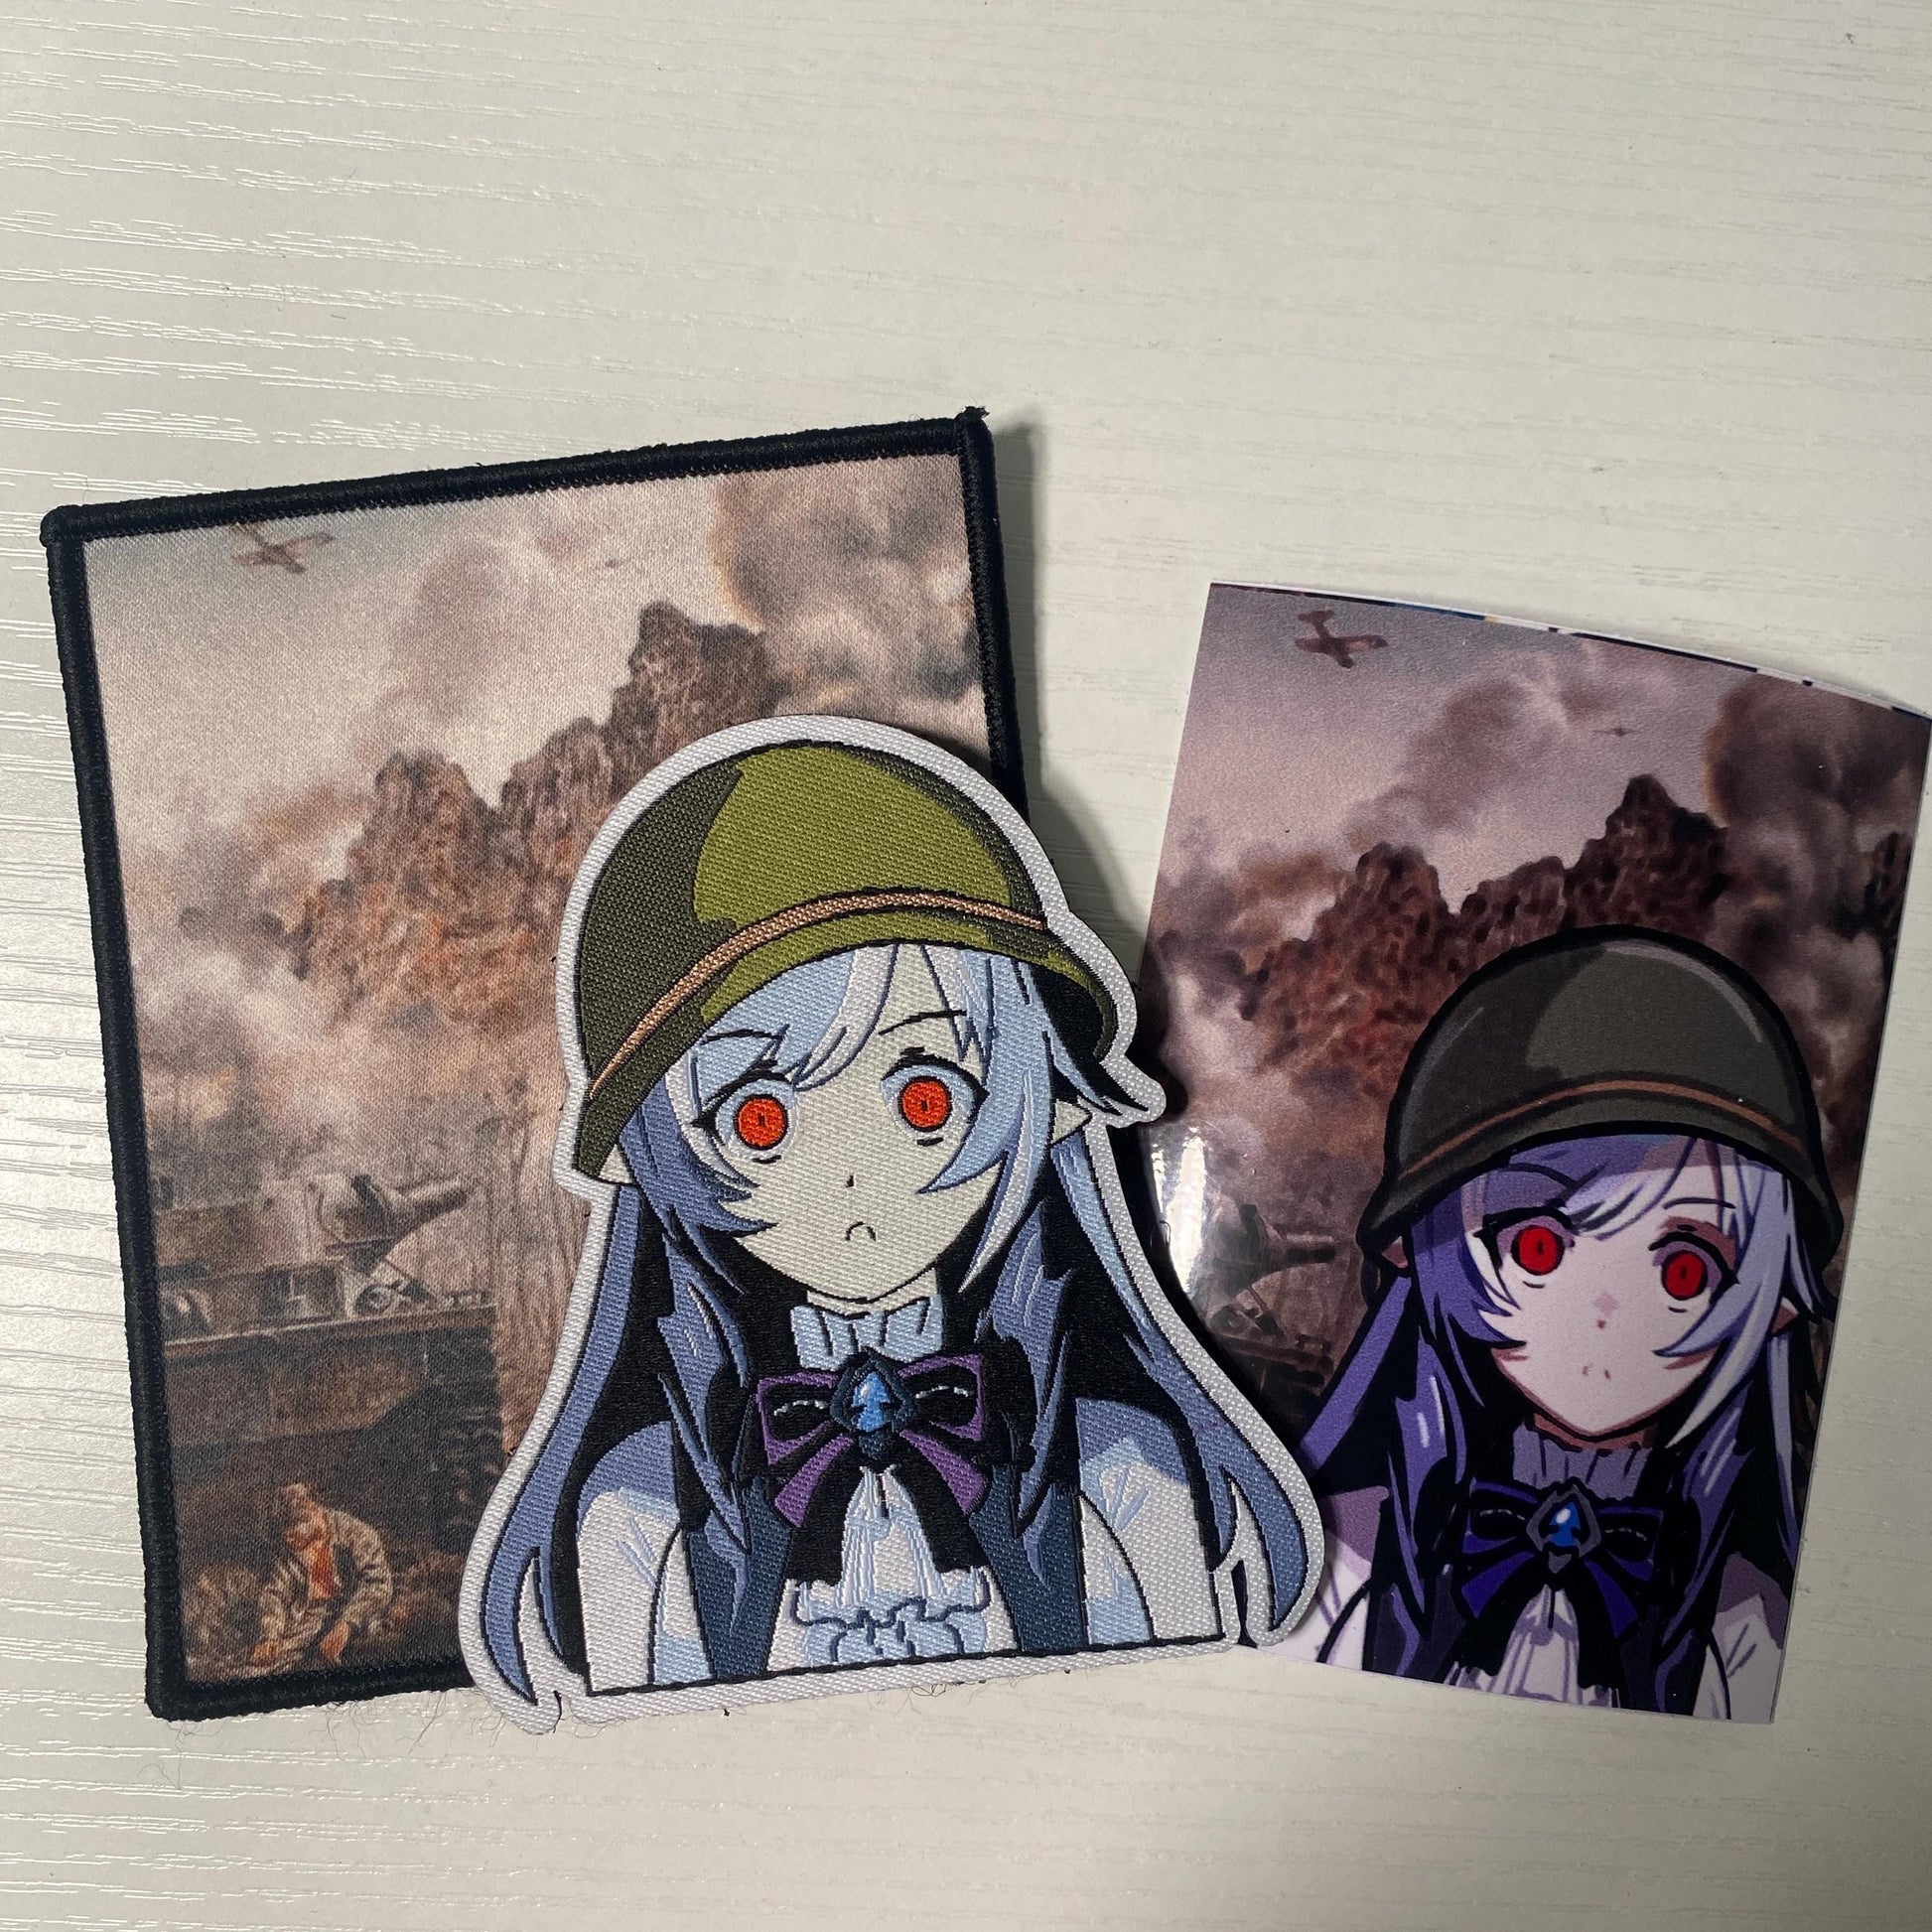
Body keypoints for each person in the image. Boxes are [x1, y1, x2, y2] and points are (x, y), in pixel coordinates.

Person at [462, 720, 1320, 1725]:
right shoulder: (637, 1512)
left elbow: (1169, 1724)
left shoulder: (1122, 1468)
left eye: (925, 1097)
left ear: (1042, 1095)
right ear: (653, 1149)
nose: (851, 1176)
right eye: (759, 1118)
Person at [1283, 928, 1840, 1720]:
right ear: (1415, 1250)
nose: (1606, 1310)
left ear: (1775, 1305)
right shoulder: (1338, 1555)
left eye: (1684, 1272)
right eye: (1538, 1247)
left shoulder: (1749, 1625)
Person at [251, 1483, 394, 1671]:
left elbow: (379, 1584)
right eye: (284, 1533)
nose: (288, 1538)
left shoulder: (357, 1534)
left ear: (314, 1509)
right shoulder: (291, 1549)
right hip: (308, 1621)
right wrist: (270, 1635)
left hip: (356, 1613)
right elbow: (275, 1593)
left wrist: (347, 1623)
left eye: (293, 1529)